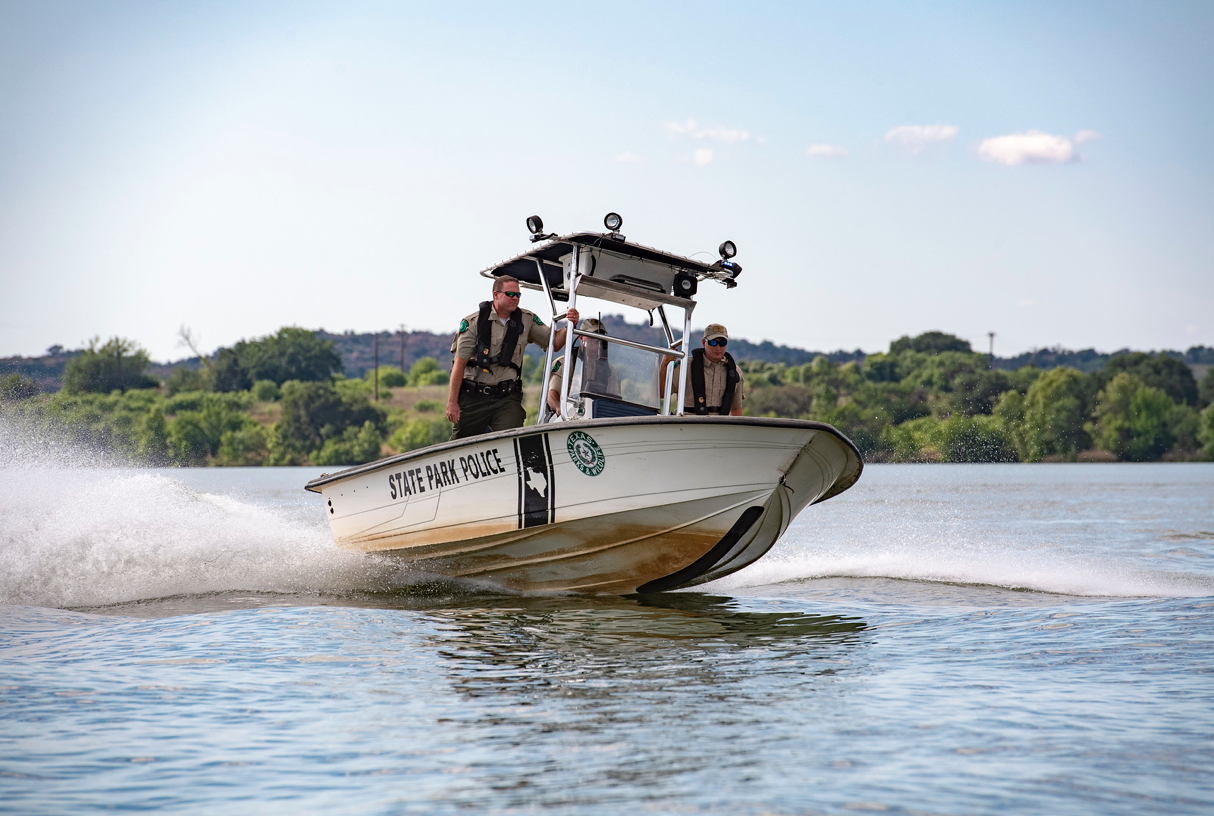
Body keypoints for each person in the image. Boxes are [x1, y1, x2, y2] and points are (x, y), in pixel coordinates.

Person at [447, 275, 578, 439]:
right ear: (496, 295)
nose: (515, 298)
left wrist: (570, 324)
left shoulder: (527, 319)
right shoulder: (473, 323)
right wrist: (452, 402)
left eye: (518, 295)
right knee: (460, 446)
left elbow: (554, 343)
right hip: (474, 398)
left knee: (512, 439)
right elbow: (459, 365)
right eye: (510, 294)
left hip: (506, 398)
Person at [661, 323, 744, 416]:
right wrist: (664, 364)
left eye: (722, 343)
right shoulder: (685, 366)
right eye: (713, 342)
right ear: (704, 343)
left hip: (720, 426)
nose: (718, 347)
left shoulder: (735, 372)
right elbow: (661, 393)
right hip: (688, 423)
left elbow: (736, 409)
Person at [545, 318, 621, 414]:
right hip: (566, 416)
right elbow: (551, 393)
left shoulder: (609, 369)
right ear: (581, 338)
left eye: (599, 342)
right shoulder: (566, 363)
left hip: (597, 417)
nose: (596, 347)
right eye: (592, 341)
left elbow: (615, 399)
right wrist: (560, 409)